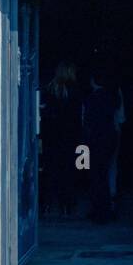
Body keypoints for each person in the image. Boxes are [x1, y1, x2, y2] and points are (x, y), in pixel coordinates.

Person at [79, 62, 122, 224]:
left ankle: (100, 210)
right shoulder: (112, 96)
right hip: (110, 138)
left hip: (95, 140)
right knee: (105, 173)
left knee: (96, 175)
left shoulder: (92, 98)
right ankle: (106, 208)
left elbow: (85, 120)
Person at [40, 60, 80, 216]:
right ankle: (67, 206)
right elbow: (77, 117)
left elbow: (45, 113)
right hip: (69, 138)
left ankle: (46, 205)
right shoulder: (74, 91)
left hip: (51, 137)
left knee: (50, 172)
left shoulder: (50, 89)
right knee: (68, 172)